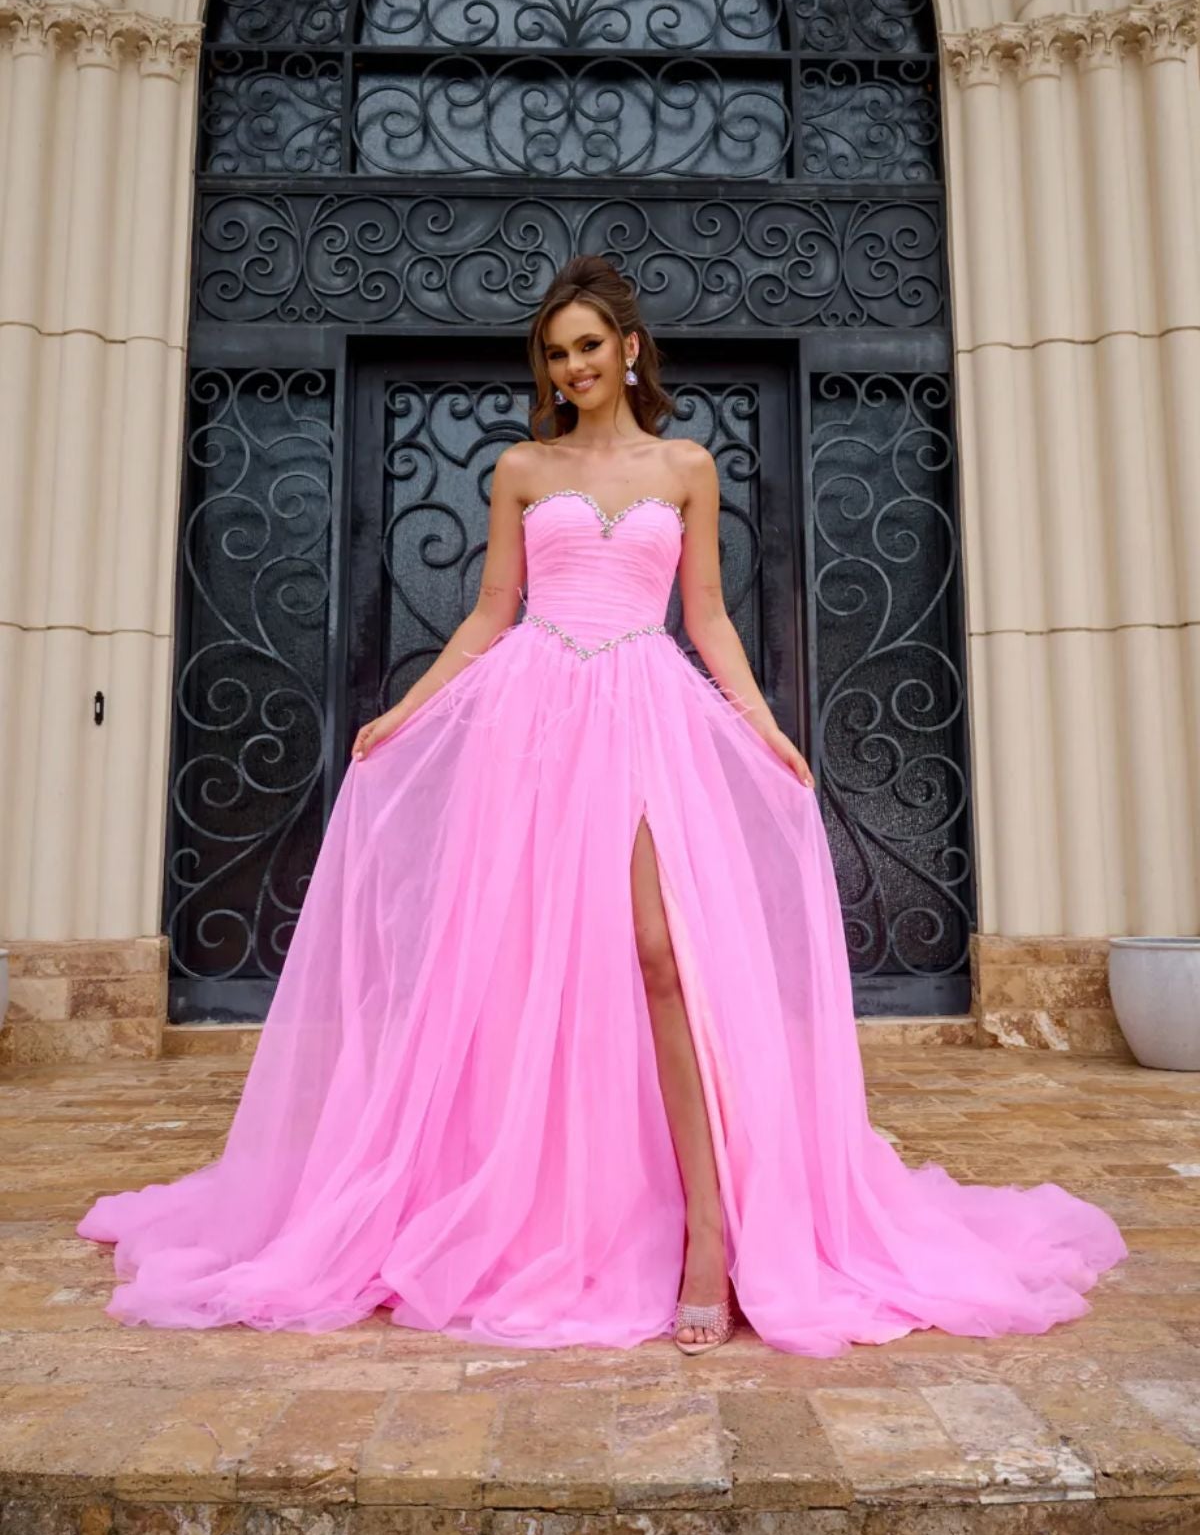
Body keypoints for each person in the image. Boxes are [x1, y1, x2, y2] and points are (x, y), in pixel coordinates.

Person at [78, 254, 1127, 1355]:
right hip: (534, 722)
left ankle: (712, 1233)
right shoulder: (522, 467)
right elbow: (489, 613)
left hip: (646, 710)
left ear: (630, 348)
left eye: (589, 344)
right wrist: (408, 711)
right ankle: (551, 1209)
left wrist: (767, 729)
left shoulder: (687, 465)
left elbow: (711, 616)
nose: (573, 365)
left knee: (662, 949)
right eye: (556, 351)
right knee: (531, 967)